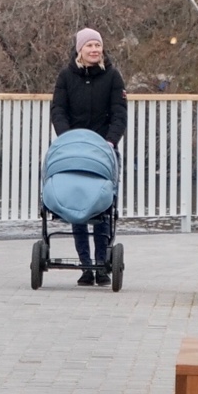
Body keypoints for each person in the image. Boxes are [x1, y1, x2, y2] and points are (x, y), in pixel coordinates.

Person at [50, 26, 127, 286]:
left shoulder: (113, 77)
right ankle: (85, 264)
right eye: (89, 46)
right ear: (79, 50)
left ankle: (101, 263)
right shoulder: (66, 77)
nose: (94, 50)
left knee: (102, 207)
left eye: (97, 46)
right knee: (77, 204)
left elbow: (119, 113)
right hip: (73, 148)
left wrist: (110, 140)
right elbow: (58, 110)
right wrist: (66, 137)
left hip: (103, 148)